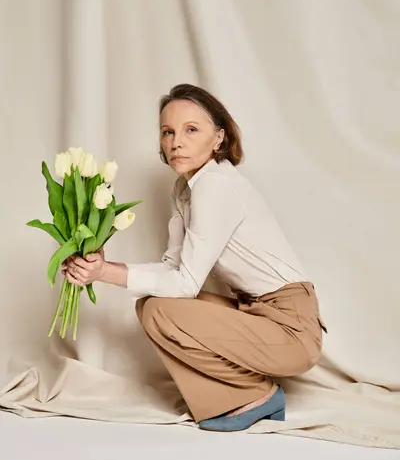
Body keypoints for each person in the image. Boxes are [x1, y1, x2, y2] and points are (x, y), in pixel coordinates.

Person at [63, 83, 327, 432]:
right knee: (151, 306)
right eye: (167, 131)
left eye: (191, 130)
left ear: (218, 138)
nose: (176, 142)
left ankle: (255, 395)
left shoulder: (215, 185)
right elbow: (174, 269)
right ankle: (240, 397)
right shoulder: (187, 188)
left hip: (291, 327)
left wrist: (105, 273)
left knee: (160, 310)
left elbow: (185, 284)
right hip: (256, 313)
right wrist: (101, 269)